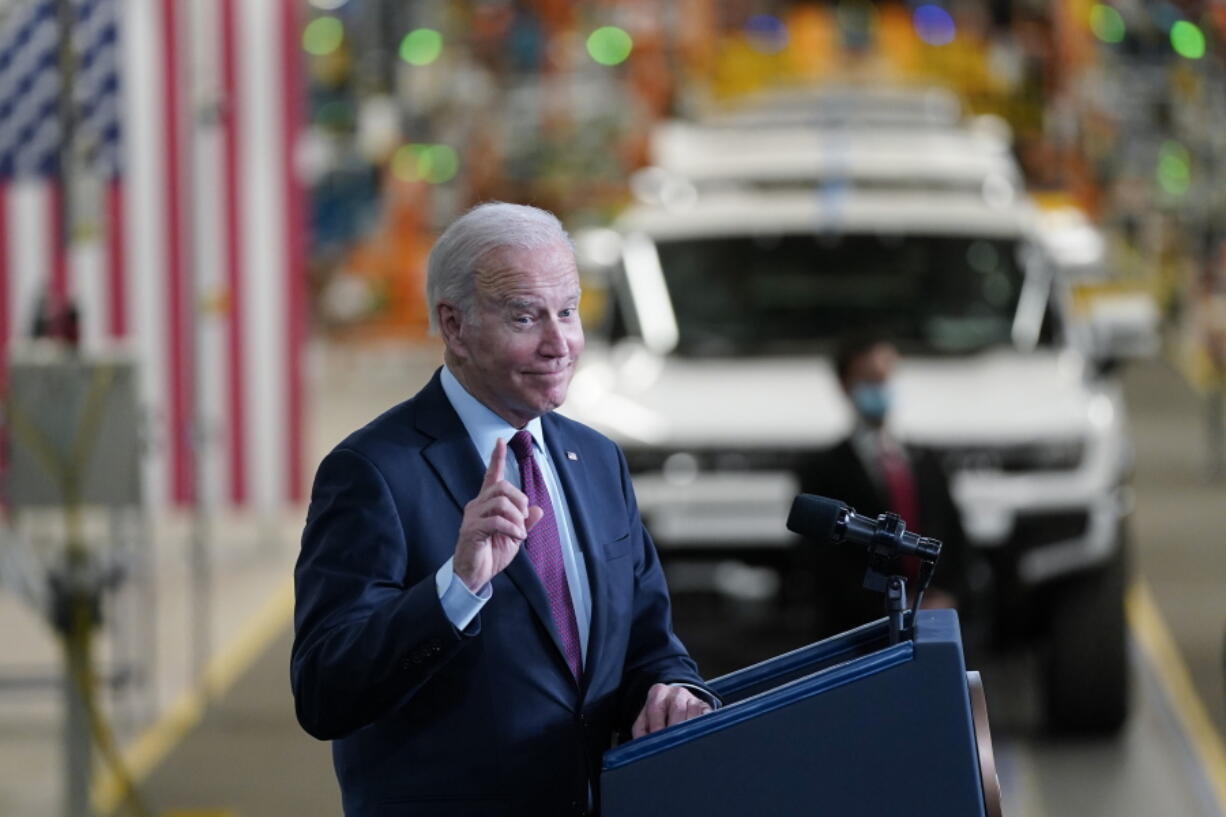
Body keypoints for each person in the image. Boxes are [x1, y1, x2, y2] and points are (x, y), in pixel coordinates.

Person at [291, 202, 716, 817]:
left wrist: (673, 690)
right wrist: (454, 588)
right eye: (525, 317)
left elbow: (648, 644)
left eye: (568, 312)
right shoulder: (373, 473)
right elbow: (325, 692)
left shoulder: (596, 461)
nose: (560, 343)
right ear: (454, 326)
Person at [798, 334, 968, 638]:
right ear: (846, 385)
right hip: (860, 629)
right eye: (869, 379)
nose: (880, 388)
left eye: (886, 377)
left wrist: (943, 594)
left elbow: (954, 536)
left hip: (933, 621)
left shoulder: (926, 459)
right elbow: (822, 562)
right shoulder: (822, 469)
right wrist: (888, 605)